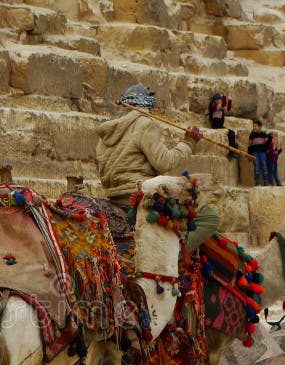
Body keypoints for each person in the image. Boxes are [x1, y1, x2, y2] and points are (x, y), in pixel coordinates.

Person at [96, 83, 219, 252]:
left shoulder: (106, 132)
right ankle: (175, 254)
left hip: (114, 198)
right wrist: (189, 142)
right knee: (210, 217)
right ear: (147, 104)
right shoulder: (145, 123)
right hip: (141, 197)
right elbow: (164, 162)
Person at [208, 92, 238, 159]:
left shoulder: (219, 106)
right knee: (231, 134)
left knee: (232, 134)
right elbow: (223, 104)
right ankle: (231, 153)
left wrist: (230, 101)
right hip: (216, 126)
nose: (220, 101)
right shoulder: (214, 106)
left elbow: (228, 109)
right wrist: (224, 97)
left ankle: (233, 152)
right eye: (219, 99)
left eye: (221, 99)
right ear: (215, 100)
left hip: (220, 126)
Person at [247, 120, 270, 186]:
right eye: (253, 126)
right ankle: (256, 183)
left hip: (262, 153)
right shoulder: (252, 134)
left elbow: (267, 144)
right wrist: (249, 154)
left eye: (256, 126)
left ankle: (266, 182)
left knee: (264, 167)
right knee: (256, 168)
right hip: (255, 153)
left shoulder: (263, 134)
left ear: (260, 127)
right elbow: (249, 145)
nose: (254, 127)